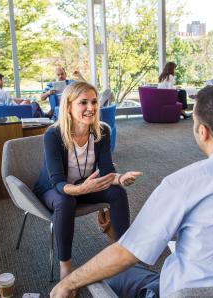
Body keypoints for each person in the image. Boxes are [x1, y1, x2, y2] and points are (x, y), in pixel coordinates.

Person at [50, 86, 213, 298]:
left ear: (202, 131)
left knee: (113, 273)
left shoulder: (185, 182)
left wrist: (68, 282)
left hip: (187, 292)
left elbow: (127, 254)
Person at [32, 81, 142, 280]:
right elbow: (57, 182)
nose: (91, 108)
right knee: (66, 201)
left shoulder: (102, 131)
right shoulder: (53, 135)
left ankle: (123, 251)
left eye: (94, 102)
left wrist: (120, 178)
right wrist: (80, 189)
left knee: (117, 192)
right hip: (54, 189)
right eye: (83, 103)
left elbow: (107, 170)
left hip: (85, 185)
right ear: (68, 107)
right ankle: (65, 265)